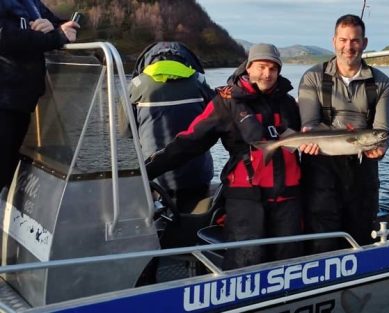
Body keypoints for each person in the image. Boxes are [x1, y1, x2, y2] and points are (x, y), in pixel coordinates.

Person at [146, 43, 304, 270]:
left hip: (288, 200)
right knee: (245, 263)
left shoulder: (289, 104)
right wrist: (147, 170)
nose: (267, 74)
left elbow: (313, 138)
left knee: (291, 263)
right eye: (261, 67)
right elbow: (189, 142)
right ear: (249, 67)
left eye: (273, 68)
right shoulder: (226, 102)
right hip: (246, 199)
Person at [297, 14, 389, 252]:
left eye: (355, 40)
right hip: (321, 169)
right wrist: (305, 139)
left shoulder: (382, 83)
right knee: (322, 238)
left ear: (365, 42)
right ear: (334, 41)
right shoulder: (313, 77)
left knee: (361, 237)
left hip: (362, 171)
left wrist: (380, 150)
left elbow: (382, 131)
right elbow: (309, 124)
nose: (348, 47)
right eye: (343, 40)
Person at [124, 41, 215, 213]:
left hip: (155, 173)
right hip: (197, 171)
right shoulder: (198, 82)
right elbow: (215, 122)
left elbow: (125, 130)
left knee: (161, 225)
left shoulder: (136, 85)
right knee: (194, 222)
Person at [0, 1, 79, 191]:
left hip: (21, 103)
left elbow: (68, 26)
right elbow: (6, 39)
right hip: (4, 102)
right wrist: (57, 36)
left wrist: (56, 27)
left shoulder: (30, 2)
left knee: (4, 175)